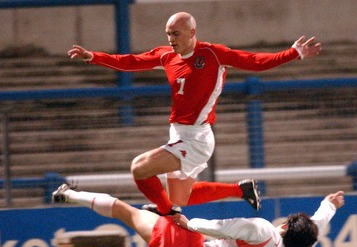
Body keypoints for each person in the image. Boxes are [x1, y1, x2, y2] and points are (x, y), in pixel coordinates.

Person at [67, 12, 322, 215]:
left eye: (175, 34)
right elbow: (131, 62)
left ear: (192, 32)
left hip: (197, 138)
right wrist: (94, 57)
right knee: (182, 197)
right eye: (168, 34)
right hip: (178, 134)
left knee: (140, 168)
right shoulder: (166, 55)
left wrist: (293, 53)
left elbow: (254, 61)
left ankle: (166, 213)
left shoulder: (212, 54)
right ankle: (240, 190)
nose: (171, 39)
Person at [17, 184, 344, 247]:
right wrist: (329, 207)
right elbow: (315, 228)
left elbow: (216, 227)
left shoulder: (261, 230)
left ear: (284, 227)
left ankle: (68, 194)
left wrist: (184, 221)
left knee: (126, 211)